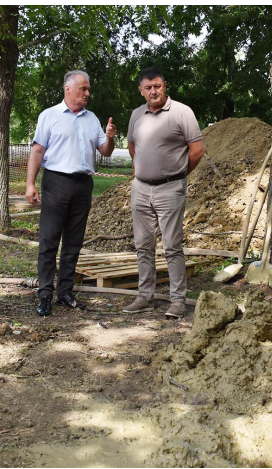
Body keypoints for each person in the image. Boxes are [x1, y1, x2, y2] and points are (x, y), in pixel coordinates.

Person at [26, 70, 116, 316]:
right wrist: (30, 184)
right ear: (68, 89)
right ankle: (45, 294)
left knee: (74, 242)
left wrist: (109, 138)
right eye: (83, 89)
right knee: (49, 241)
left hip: (83, 184)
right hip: (56, 182)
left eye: (88, 89)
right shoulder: (50, 115)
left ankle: (64, 292)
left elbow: (105, 151)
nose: (87, 93)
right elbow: (37, 151)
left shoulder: (91, 118)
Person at [122, 67, 206, 318]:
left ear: (165, 86)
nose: (153, 91)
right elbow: (132, 146)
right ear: (141, 90)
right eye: (148, 87)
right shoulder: (137, 115)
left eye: (157, 86)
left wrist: (178, 173)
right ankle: (145, 296)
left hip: (171, 187)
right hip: (141, 188)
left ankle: (178, 300)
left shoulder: (182, 112)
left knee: (171, 246)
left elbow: (197, 150)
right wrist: (141, 169)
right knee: (143, 245)